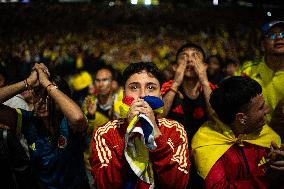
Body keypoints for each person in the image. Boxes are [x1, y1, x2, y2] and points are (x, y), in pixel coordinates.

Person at [90, 62, 190, 189]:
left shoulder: (175, 130)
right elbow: (104, 185)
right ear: (124, 95)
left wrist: (156, 134)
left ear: (160, 95)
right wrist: (127, 137)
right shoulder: (104, 133)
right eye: (134, 88)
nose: (142, 95)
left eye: (151, 88)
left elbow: (178, 185)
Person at [0, 63, 89, 189]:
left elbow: (78, 118)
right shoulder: (28, 121)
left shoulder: (69, 121)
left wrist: (46, 84)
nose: (41, 101)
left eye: (48, 95)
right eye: (37, 93)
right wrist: (28, 82)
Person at [192, 76, 281, 188]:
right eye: (261, 107)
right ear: (241, 118)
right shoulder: (206, 145)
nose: (267, 110)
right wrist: (266, 177)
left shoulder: (263, 132)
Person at [161, 43, 215, 142]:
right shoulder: (166, 88)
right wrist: (176, 83)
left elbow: (216, 119)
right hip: (174, 147)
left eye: (195, 56)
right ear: (174, 67)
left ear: (204, 66)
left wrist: (204, 81)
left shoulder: (212, 89)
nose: (190, 60)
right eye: (184, 56)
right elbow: (159, 116)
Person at [81, 65, 122, 188]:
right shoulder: (89, 102)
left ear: (112, 83)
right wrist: (91, 116)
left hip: (117, 162)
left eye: (105, 80)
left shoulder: (121, 103)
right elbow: (84, 133)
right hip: (93, 162)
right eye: (98, 80)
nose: (101, 84)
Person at [241, 20, 284, 122]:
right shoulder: (248, 70)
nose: (279, 38)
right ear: (262, 45)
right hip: (255, 135)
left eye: (283, 34)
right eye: (272, 35)